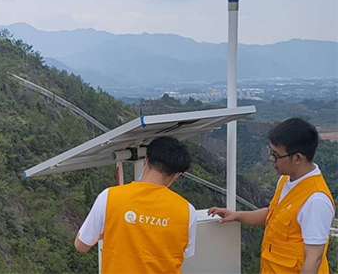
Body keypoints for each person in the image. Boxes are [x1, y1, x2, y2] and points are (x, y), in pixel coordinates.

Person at [208, 117, 335, 274]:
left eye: (276, 155)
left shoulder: (315, 200)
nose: (271, 158)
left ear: (297, 158)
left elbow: (314, 259)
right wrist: (237, 215)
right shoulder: (286, 180)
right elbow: (273, 214)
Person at [74, 136, 197, 274]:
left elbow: (81, 245)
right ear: (176, 175)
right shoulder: (187, 211)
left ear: (146, 159)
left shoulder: (109, 197)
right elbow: (184, 253)